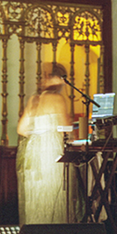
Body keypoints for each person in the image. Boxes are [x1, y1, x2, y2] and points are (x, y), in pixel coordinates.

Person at [16, 62, 73, 225]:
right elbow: (65, 129)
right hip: (50, 151)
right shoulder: (57, 99)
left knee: (38, 195)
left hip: (35, 151)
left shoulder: (34, 99)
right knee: (53, 193)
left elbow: (22, 129)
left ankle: (36, 232)